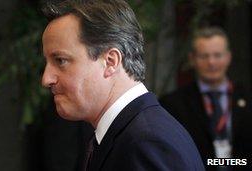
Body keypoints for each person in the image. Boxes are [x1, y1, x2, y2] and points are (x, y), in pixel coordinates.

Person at [41, 0, 204, 170]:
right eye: (47, 63)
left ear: (111, 61)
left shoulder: (146, 142)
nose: (46, 79)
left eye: (60, 61)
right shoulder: (130, 134)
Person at [160, 27, 252, 170]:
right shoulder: (173, 104)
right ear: (192, 59)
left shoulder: (247, 98)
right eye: (204, 56)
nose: (211, 62)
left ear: (228, 57)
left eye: (217, 55)